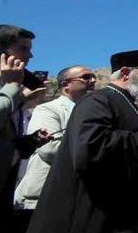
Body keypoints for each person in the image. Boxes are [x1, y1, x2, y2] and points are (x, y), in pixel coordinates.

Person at [25, 50, 138, 233]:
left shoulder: (124, 102)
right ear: (125, 73)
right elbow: (89, 148)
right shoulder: (99, 100)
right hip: (92, 215)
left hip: (117, 216)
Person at [0, 25, 48, 233]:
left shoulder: (2, 81)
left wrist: (26, 143)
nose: (30, 55)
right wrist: (12, 86)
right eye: (23, 48)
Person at [15, 65, 95, 213]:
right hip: (45, 194)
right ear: (65, 85)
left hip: (76, 196)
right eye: (86, 77)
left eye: (93, 77)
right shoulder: (49, 109)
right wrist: (95, 153)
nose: (93, 80)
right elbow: (48, 148)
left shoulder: (92, 113)